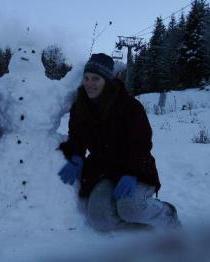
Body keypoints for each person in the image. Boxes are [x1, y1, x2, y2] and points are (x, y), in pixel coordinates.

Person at [58, 53, 180, 231]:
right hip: (104, 170)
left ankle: (166, 214)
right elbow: (76, 137)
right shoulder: (80, 107)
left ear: (107, 80)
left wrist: (131, 172)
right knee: (99, 218)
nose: (89, 84)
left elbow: (142, 144)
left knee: (130, 208)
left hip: (135, 169)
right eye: (86, 78)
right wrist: (76, 156)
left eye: (96, 79)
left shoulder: (129, 106)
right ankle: (144, 230)